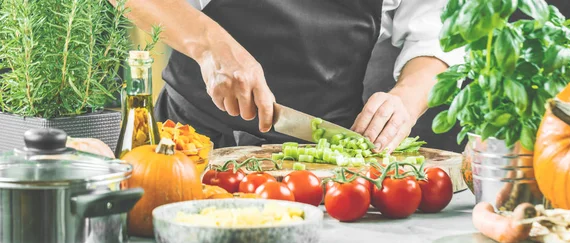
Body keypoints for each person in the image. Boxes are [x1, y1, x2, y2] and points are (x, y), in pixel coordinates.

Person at [111, 0, 463, 153]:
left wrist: (406, 99)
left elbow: (437, 34)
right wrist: (209, 45)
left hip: (323, 160)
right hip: (194, 141)